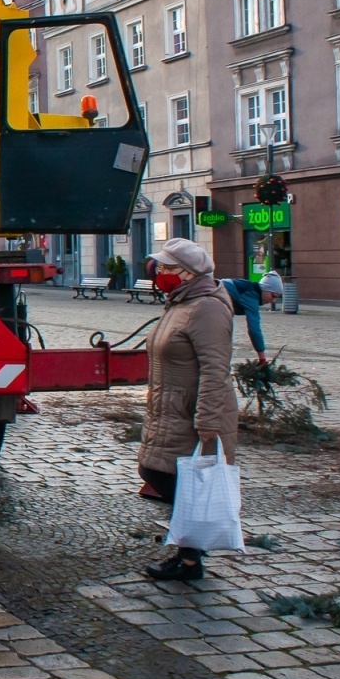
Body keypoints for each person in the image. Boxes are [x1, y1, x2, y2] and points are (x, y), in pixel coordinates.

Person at [136, 238, 236, 582]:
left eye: (167, 268)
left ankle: (190, 559)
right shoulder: (179, 302)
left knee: (177, 479)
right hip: (168, 407)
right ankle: (190, 552)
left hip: (193, 411)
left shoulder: (206, 307)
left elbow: (214, 368)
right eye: (159, 267)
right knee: (156, 472)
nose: (159, 273)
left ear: (189, 273)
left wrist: (207, 419)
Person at [221, 270, 283, 363]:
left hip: (212, 300)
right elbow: (254, 328)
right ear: (266, 288)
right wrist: (262, 357)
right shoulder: (251, 295)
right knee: (220, 346)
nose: (273, 300)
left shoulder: (247, 286)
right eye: (273, 295)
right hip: (211, 303)